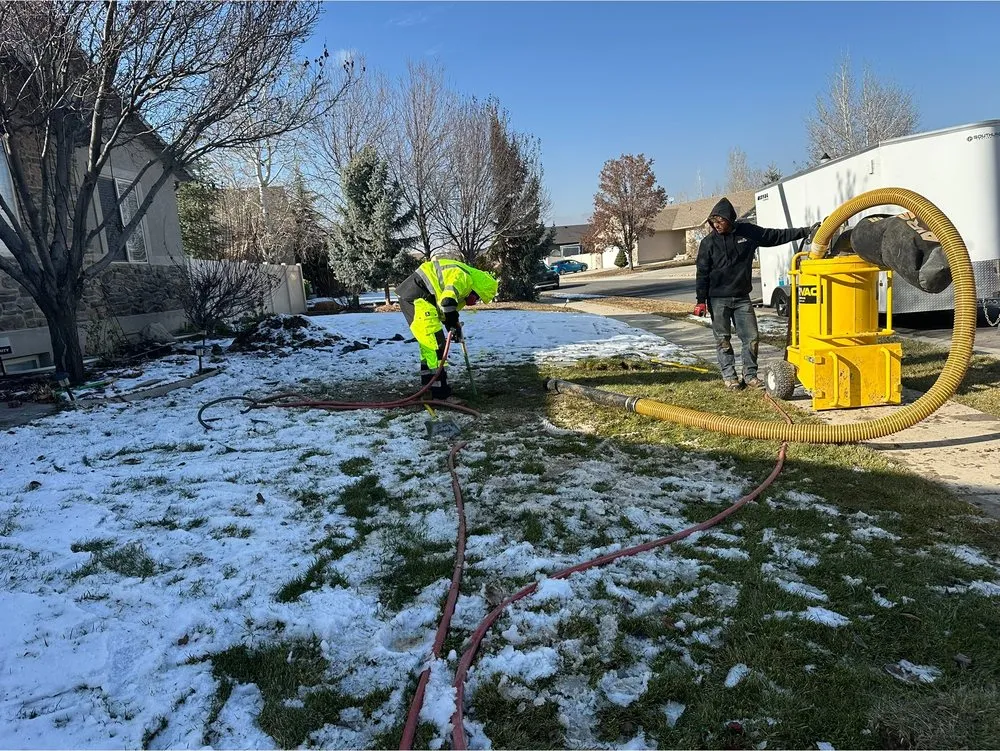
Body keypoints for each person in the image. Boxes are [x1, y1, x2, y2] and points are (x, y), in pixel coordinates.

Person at [695, 197, 817, 390]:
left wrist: (805, 231)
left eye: (721, 221)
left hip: (742, 297)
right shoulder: (708, 243)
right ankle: (730, 377)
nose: (717, 226)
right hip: (718, 299)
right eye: (714, 222)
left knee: (751, 338)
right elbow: (702, 272)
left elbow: (774, 236)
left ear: (730, 219)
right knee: (723, 339)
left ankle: (750, 375)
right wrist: (701, 300)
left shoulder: (747, 233)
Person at [396, 248, 498, 401]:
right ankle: (441, 394)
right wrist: (453, 323)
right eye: (476, 298)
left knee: (428, 348)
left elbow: (445, 311)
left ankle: (428, 386)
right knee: (437, 346)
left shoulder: (466, 278)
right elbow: (447, 302)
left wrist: (453, 326)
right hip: (419, 298)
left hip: (418, 298)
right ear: (476, 290)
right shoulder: (464, 279)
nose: (473, 302)